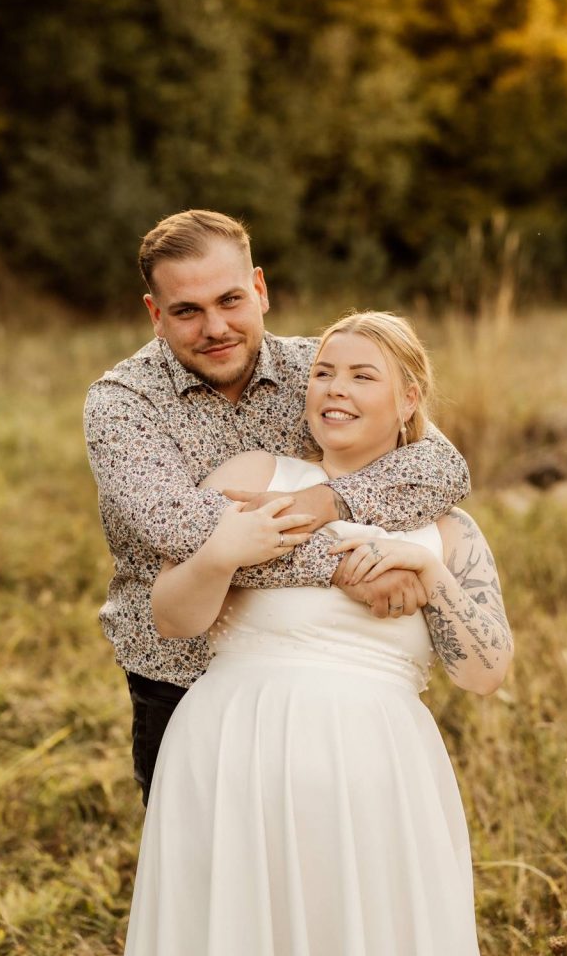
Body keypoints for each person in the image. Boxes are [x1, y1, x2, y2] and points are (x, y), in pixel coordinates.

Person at [121, 311, 513, 956]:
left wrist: (430, 574)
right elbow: (170, 617)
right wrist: (222, 555)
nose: (336, 389)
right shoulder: (254, 477)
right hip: (230, 757)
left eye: (363, 376)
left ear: (408, 398)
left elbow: (485, 674)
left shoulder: (448, 530)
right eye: (324, 373)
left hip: (376, 775)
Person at [84, 210, 470, 805]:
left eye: (230, 299)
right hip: (180, 672)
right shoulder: (122, 404)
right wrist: (350, 564)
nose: (215, 326)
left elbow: (440, 466)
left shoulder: (322, 368)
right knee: (203, 870)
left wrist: (327, 499)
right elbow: (184, 530)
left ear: (260, 289)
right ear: (156, 316)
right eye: (187, 311)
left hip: (321, 674)